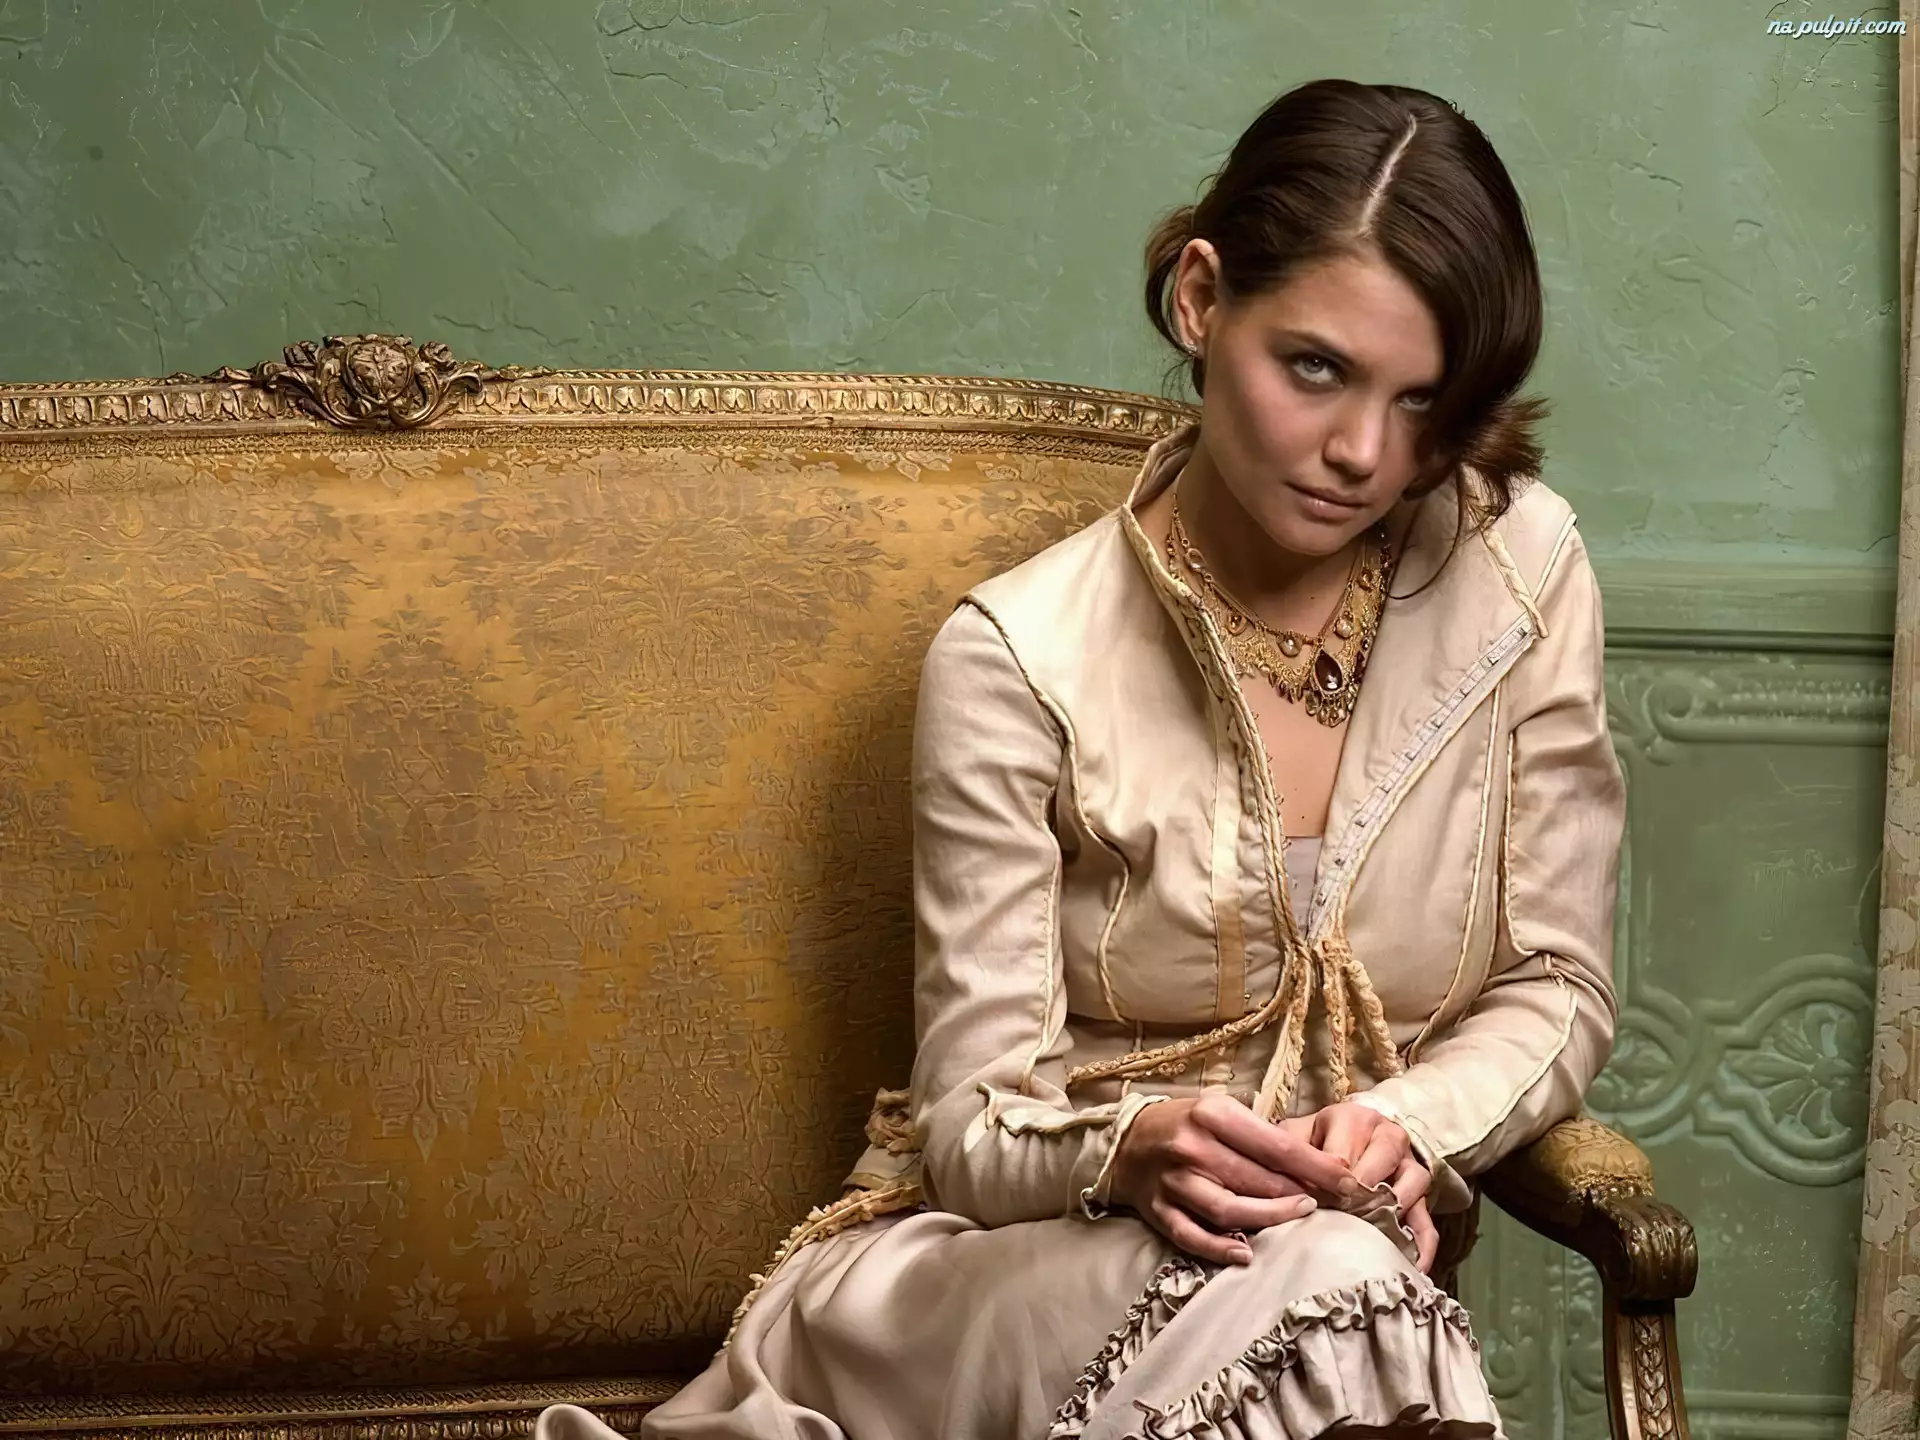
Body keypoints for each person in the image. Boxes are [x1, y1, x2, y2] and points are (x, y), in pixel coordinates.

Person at [539, 76, 1623, 1440]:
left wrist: (1409, 1123)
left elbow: (1555, 981)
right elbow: (968, 1127)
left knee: (1341, 1288)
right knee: (1344, 1299)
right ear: (1201, 301)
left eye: (1423, 403)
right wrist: (1130, 1146)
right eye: (1315, 368)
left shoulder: (1520, 574)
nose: (1363, 453)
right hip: (1010, 1278)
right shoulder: (1017, 655)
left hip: (1330, 1289)